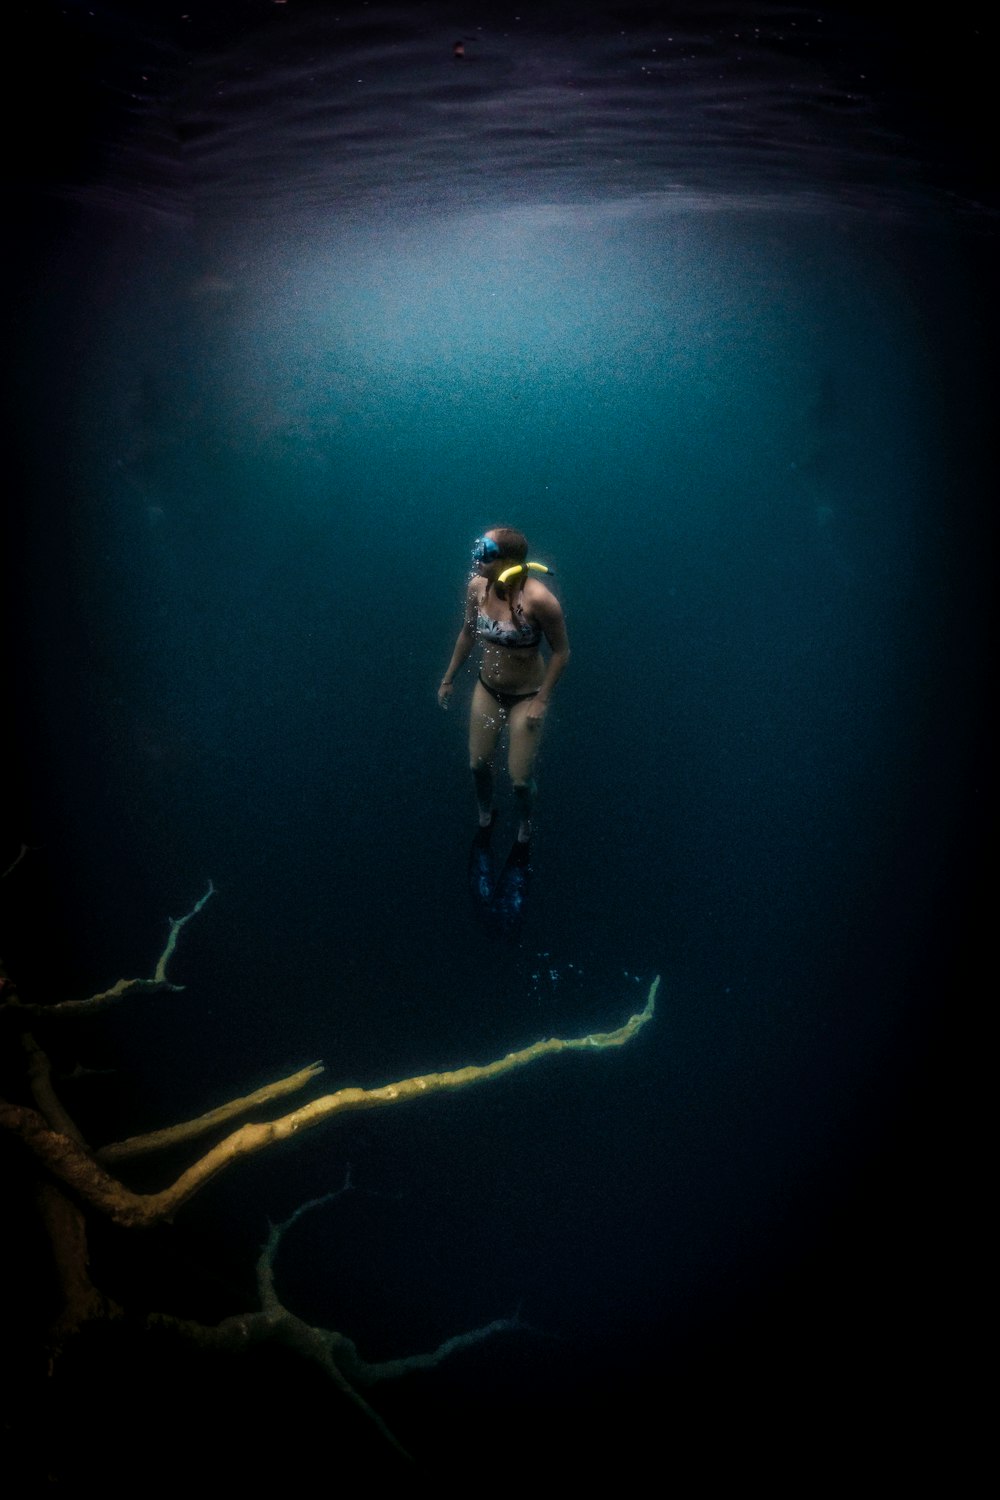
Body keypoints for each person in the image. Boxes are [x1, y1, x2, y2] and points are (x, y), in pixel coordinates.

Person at [438, 526, 570, 843]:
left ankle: (525, 822)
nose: (477, 559)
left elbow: (562, 652)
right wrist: (448, 678)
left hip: (527, 696)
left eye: (485, 552)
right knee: (477, 764)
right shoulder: (477, 588)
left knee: (521, 780)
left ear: (507, 560)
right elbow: (468, 633)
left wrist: (542, 700)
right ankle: (486, 812)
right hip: (489, 689)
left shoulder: (540, 600)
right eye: (478, 549)